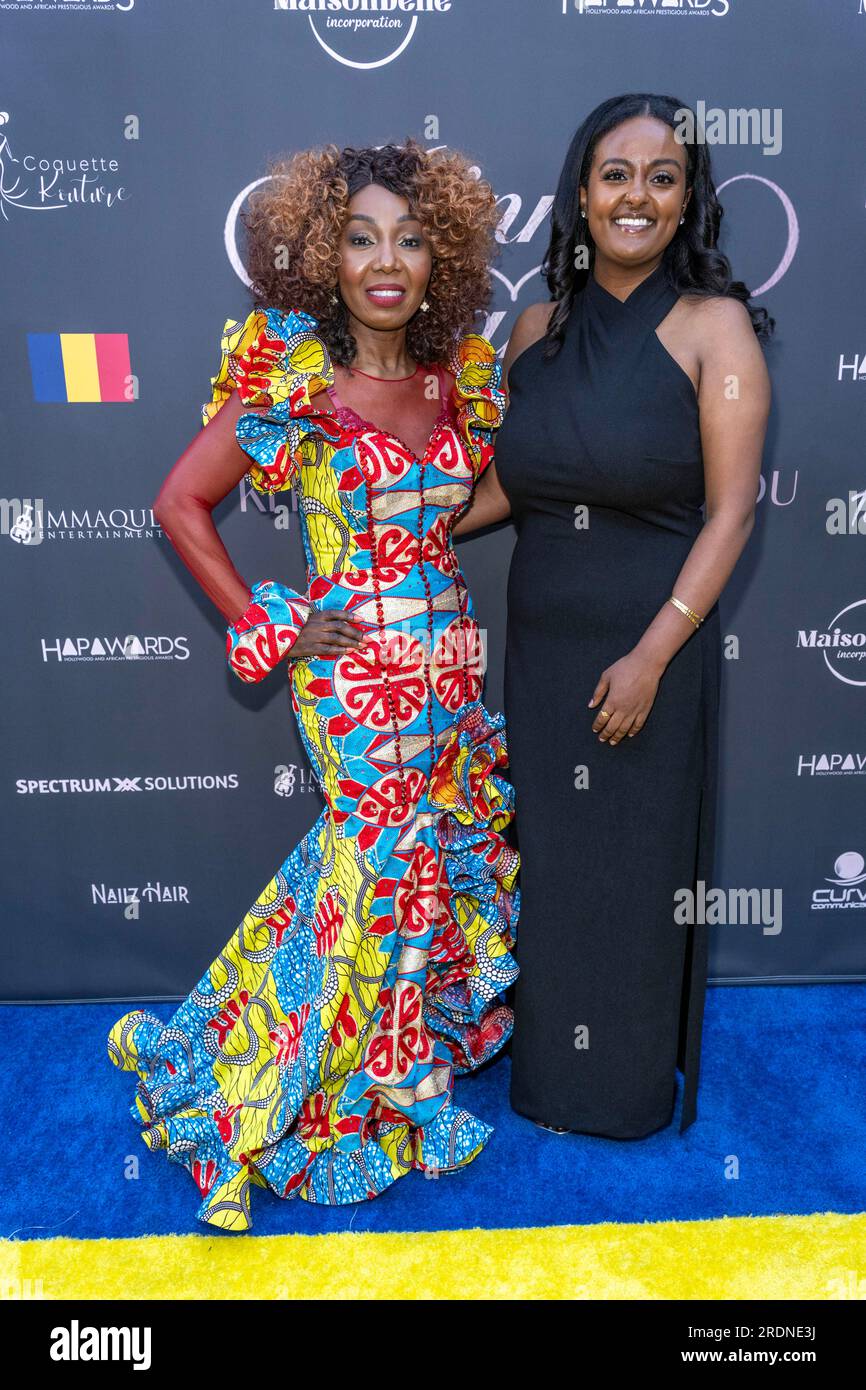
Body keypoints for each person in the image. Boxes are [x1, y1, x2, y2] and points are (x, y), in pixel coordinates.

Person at [106, 141, 519, 1231]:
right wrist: (271, 620)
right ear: (323, 256)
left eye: (411, 237)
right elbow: (179, 504)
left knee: (402, 868)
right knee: (381, 866)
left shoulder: (455, 379)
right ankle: (383, 1093)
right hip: (350, 685)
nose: (387, 261)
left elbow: (462, 505)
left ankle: (367, 1059)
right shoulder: (293, 374)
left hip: (447, 674)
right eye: (360, 237)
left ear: (444, 256)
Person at [454, 94, 772, 1138]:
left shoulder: (714, 327)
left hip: (653, 651)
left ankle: (623, 1089)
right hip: (542, 651)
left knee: (631, 872)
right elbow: (515, 484)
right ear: (579, 193)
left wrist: (647, 654)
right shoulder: (534, 326)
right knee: (546, 863)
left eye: (661, 176)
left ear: (686, 201)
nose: (635, 194)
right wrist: (401, 521)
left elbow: (728, 513)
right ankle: (548, 1075)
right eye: (614, 174)